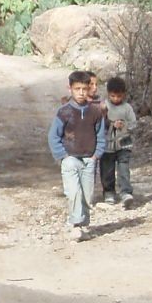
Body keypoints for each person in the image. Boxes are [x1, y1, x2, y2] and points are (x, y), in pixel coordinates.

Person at [48, 70, 107, 241]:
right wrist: (63, 156)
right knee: (74, 192)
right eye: (77, 89)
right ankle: (75, 224)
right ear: (70, 89)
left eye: (84, 89)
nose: (81, 93)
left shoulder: (95, 112)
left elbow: (100, 135)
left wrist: (96, 155)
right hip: (70, 158)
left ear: (89, 88)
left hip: (89, 159)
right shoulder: (64, 112)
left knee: (87, 195)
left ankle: (84, 224)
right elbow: (53, 136)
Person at [100, 77, 137, 206]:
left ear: (124, 94)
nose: (116, 99)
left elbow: (133, 124)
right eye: (113, 96)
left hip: (124, 144)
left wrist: (124, 125)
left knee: (124, 169)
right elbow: (99, 123)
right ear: (108, 93)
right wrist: (111, 125)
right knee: (107, 170)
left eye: (119, 96)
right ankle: (109, 192)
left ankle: (126, 192)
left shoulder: (127, 108)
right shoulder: (103, 106)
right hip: (107, 145)